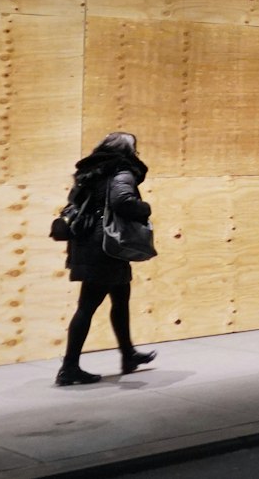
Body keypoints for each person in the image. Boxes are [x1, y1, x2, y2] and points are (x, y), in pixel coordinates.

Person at [58, 132, 156, 386]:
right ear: (128, 151)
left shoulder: (89, 172)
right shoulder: (121, 171)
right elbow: (122, 200)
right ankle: (69, 368)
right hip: (106, 247)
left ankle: (128, 355)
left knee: (120, 299)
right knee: (87, 305)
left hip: (88, 241)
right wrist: (144, 209)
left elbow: (74, 203)